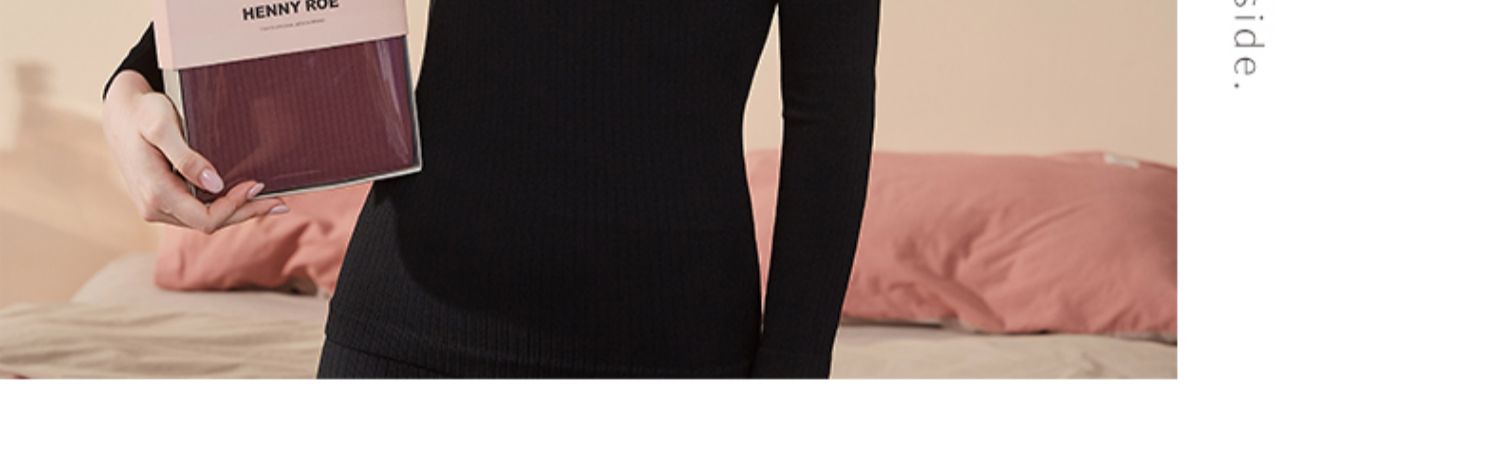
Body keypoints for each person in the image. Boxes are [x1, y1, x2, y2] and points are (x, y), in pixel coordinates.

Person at [101, 1, 880, 378]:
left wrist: (791, 379)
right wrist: (129, 88)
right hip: (407, 333)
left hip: (671, 350)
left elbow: (829, 118)